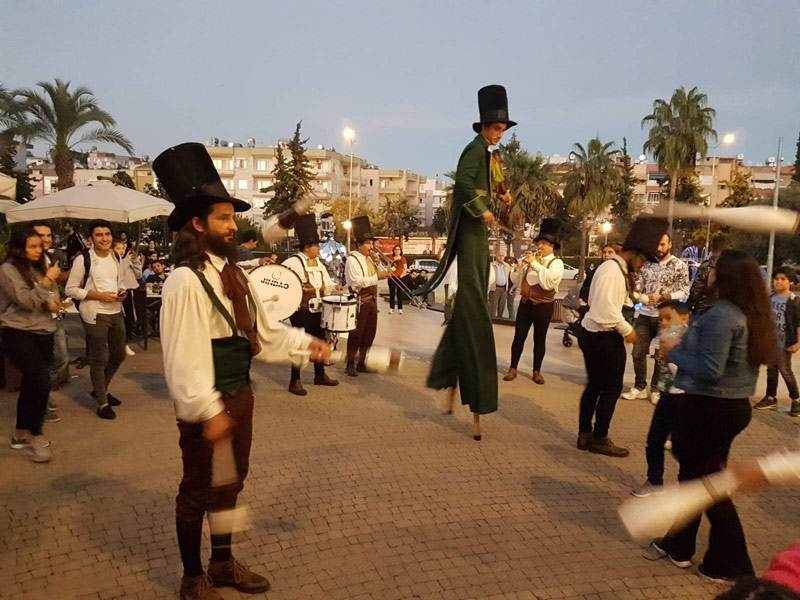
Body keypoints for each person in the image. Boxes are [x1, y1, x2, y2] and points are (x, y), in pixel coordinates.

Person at [153, 142, 330, 600]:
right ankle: (193, 578)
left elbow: (264, 335)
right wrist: (206, 410)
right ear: (198, 223)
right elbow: (182, 359)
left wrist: (308, 345)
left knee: (230, 484)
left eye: (234, 219)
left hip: (240, 398)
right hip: (207, 408)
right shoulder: (183, 281)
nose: (234, 226)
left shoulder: (235, 275)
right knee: (197, 492)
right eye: (225, 219)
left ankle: (223, 564)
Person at [642, 250, 777, 582]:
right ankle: (679, 546)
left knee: (708, 486)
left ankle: (731, 564)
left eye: (714, 267)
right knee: (693, 477)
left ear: (727, 275)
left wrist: (675, 351)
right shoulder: (749, 312)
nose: (708, 271)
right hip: (726, 407)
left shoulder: (723, 315)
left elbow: (710, 369)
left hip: (710, 407)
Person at [412, 84, 516, 438]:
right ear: (485, 126)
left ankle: (448, 387)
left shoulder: (491, 154)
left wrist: (502, 193)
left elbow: (494, 180)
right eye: (497, 128)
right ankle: (474, 392)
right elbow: (465, 188)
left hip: (480, 230)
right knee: (472, 301)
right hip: (470, 229)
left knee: (465, 312)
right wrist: (484, 211)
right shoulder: (473, 150)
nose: (500, 133)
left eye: (503, 129)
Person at [578, 217, 668, 457]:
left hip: (594, 334)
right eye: (642, 261)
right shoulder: (612, 272)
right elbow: (604, 311)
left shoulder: (614, 268)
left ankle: (584, 433)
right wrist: (627, 331)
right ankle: (599, 437)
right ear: (635, 254)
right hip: (603, 337)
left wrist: (645, 299)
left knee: (594, 386)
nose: (641, 266)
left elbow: (623, 297)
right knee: (610, 388)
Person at [0, 227, 64, 462]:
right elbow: (26, 300)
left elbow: (51, 296)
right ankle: (35, 436)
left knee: (32, 383)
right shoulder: (8, 270)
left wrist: (54, 302)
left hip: (43, 331)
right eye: (33, 246)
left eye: (40, 246)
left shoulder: (40, 267)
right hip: (17, 331)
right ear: (20, 248)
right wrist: (47, 281)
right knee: (40, 379)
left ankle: (19, 433)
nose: (39, 250)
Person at [65, 220, 128, 420]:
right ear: (91, 239)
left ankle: (100, 389)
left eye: (107, 234)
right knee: (99, 359)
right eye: (99, 235)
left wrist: (121, 291)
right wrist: (99, 296)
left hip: (116, 310)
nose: (104, 238)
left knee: (118, 354)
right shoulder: (83, 259)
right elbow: (70, 289)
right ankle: (102, 402)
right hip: (95, 314)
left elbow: (119, 281)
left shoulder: (116, 255)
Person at [622, 233, 690, 403]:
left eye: (662, 244)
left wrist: (663, 297)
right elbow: (638, 288)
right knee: (638, 351)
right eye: (657, 244)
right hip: (645, 313)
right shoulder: (647, 264)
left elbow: (685, 292)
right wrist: (640, 295)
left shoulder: (679, 265)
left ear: (669, 244)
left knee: (663, 354)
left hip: (668, 315)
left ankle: (656, 388)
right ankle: (640, 386)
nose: (659, 248)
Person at [631, 300, 689, 497]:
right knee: (654, 440)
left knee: (681, 447)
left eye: (667, 318)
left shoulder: (689, 339)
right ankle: (654, 480)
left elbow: (687, 370)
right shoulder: (666, 337)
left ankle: (690, 482)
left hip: (684, 399)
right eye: (660, 318)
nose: (663, 323)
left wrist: (671, 354)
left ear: (684, 319)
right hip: (666, 396)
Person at [282, 213, 339, 395]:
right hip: (301, 311)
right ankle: (295, 380)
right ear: (307, 247)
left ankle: (319, 375)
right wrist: (300, 289)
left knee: (320, 341)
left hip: (318, 310)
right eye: (316, 246)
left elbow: (327, 284)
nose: (319, 249)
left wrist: (336, 289)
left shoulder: (319, 264)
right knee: (300, 344)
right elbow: (284, 283)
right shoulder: (293, 262)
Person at [504, 219, 564, 384]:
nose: (540, 246)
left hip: (543, 307)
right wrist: (519, 267)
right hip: (525, 304)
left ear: (552, 246)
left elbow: (549, 282)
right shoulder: (531, 260)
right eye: (540, 243)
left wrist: (535, 265)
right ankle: (513, 368)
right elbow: (516, 280)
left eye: (544, 243)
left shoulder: (557, 263)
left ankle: (537, 371)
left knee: (540, 339)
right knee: (519, 338)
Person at [31, 222, 71, 409]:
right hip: (35, 319)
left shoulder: (47, 257)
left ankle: (43, 394)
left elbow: (55, 282)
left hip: (55, 316)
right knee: (41, 363)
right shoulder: (26, 261)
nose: (46, 239)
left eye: (48, 235)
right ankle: (41, 402)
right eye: (41, 235)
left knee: (62, 359)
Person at [344, 216, 389, 377]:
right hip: (359, 301)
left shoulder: (369, 258)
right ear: (359, 245)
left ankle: (362, 363)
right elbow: (356, 281)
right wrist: (377, 277)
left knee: (369, 334)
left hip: (372, 301)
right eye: (368, 243)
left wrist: (378, 262)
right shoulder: (352, 259)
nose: (372, 246)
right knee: (356, 334)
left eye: (372, 243)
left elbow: (383, 271)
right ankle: (350, 364)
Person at [754, 265, 800, 416]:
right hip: (771, 342)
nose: (778, 282)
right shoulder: (770, 298)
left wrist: (798, 343)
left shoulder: (794, 301)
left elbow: (798, 323)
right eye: (776, 279)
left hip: (785, 343)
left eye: (783, 279)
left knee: (785, 371)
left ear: (791, 282)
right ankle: (771, 397)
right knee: (771, 370)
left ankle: (796, 400)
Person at [687, 233, 731, 316]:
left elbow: (696, 290)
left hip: (703, 311)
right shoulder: (733, 266)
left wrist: (688, 307)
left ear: (713, 248)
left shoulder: (706, 266)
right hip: (725, 313)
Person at [114, 239, 143, 357]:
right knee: (121, 321)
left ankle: (126, 343)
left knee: (130, 320)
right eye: (118, 248)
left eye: (123, 248)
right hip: (120, 293)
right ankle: (120, 344)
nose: (121, 251)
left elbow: (139, 275)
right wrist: (126, 261)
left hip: (131, 292)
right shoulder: (115, 261)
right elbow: (119, 274)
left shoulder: (127, 260)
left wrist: (135, 261)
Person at [488, 253, 511, 318]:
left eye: (503, 256)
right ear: (496, 256)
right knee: (493, 306)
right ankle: (492, 320)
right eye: (499, 255)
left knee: (502, 306)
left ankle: (499, 319)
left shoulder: (507, 266)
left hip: (504, 289)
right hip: (495, 288)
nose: (501, 257)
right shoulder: (491, 265)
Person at [388, 245, 407, 314]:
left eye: (398, 249)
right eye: (395, 249)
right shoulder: (391, 258)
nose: (397, 251)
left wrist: (401, 276)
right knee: (392, 293)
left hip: (400, 278)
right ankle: (391, 308)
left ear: (400, 251)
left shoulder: (403, 258)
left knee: (399, 294)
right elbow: (388, 267)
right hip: (392, 278)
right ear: (393, 250)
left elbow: (405, 269)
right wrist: (389, 274)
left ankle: (400, 308)